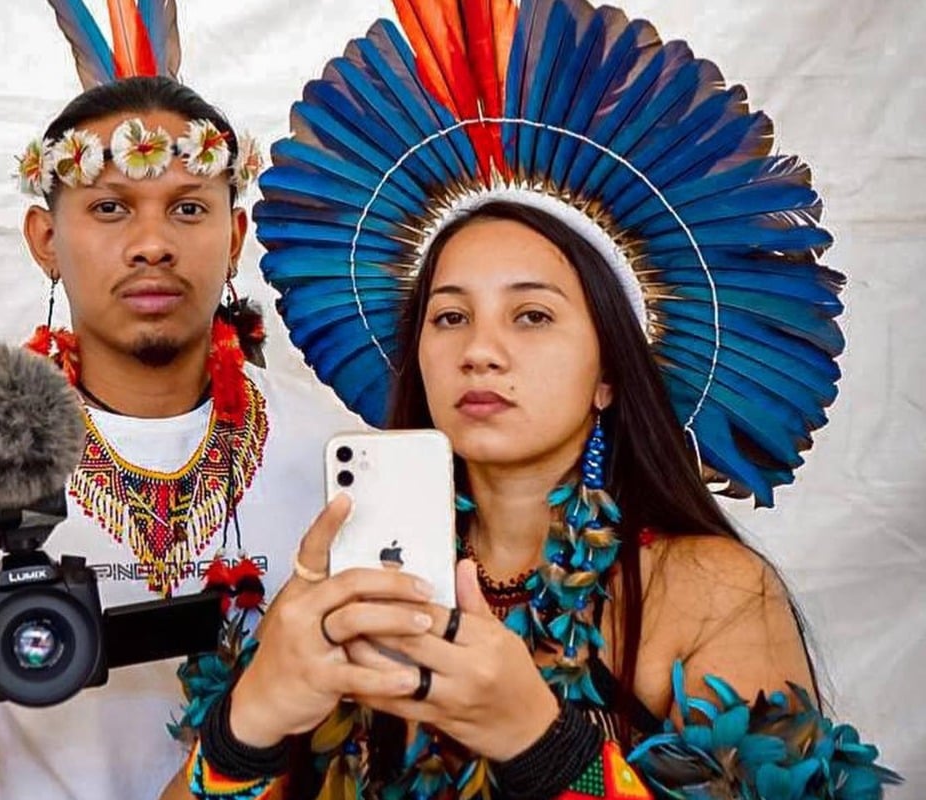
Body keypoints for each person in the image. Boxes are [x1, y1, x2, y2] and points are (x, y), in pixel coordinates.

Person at [163, 1, 902, 798]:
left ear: (609, 370)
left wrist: (542, 745)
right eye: (449, 317)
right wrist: (248, 727)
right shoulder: (358, 574)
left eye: (533, 315)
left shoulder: (707, 590)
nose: (479, 349)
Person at [0, 3, 358, 799]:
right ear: (44, 239)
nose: (152, 243)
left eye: (189, 207)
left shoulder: (331, 451)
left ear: (235, 237)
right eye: (109, 208)